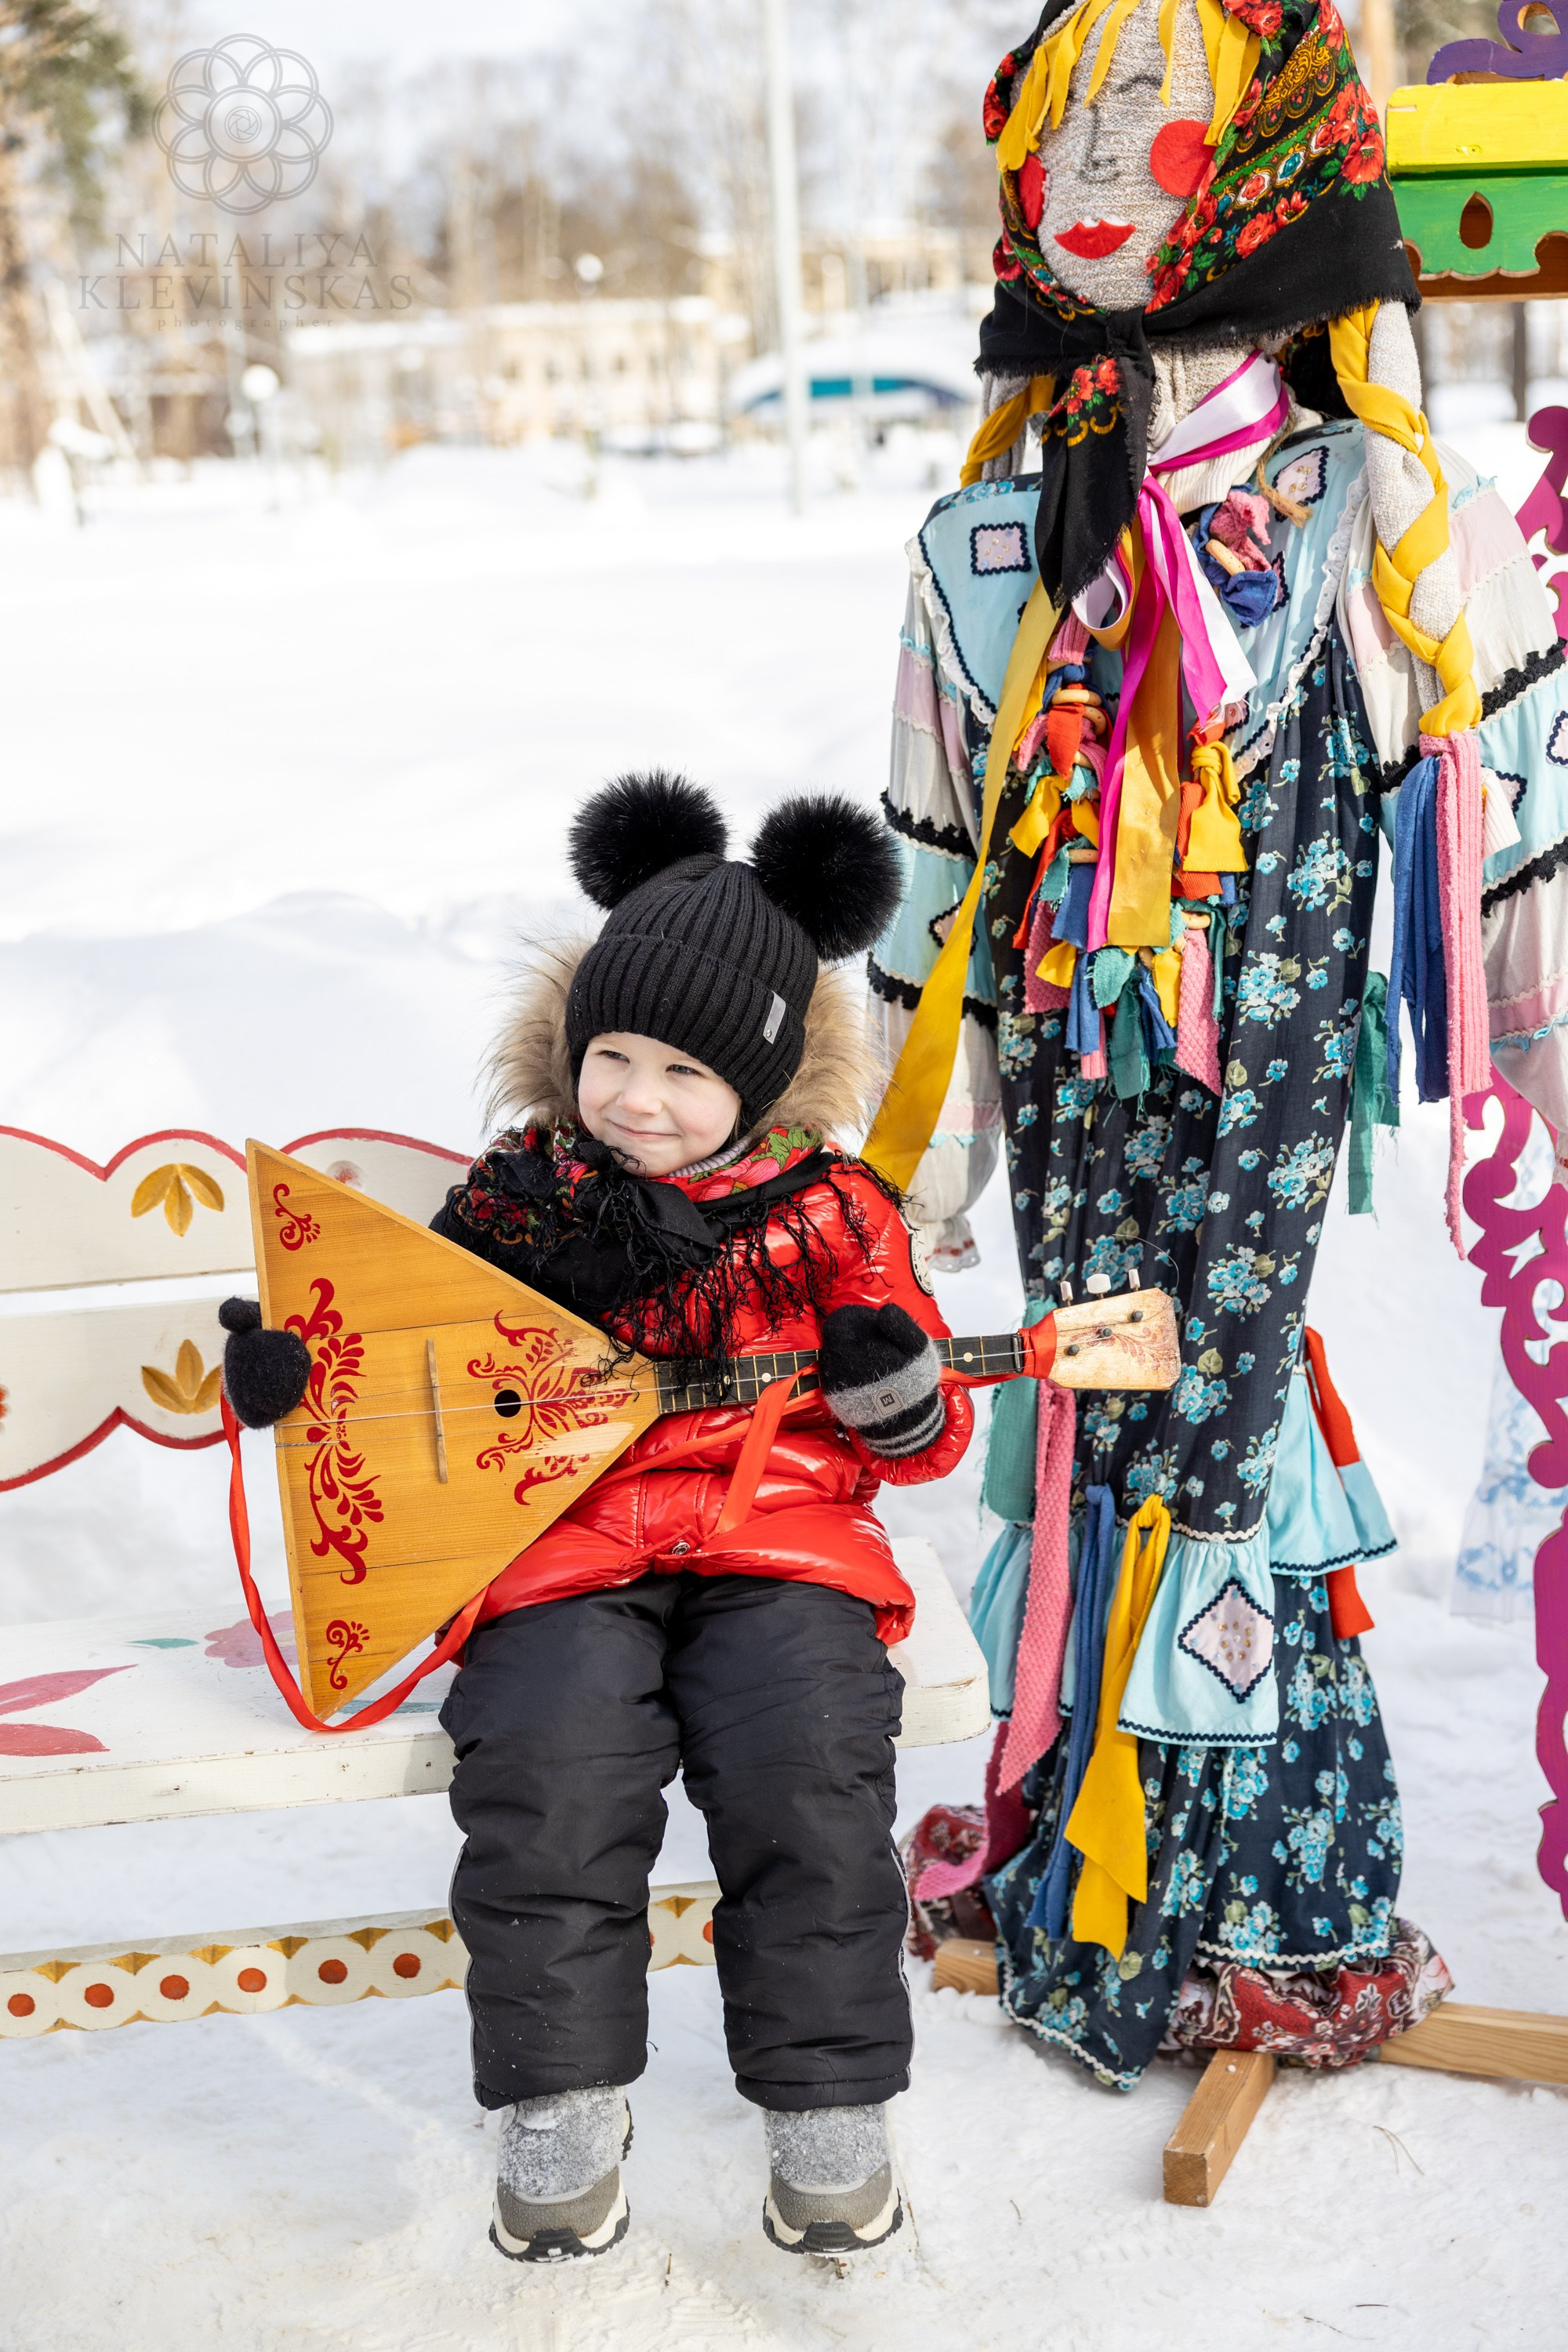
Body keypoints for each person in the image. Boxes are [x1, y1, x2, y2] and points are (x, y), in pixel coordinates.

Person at [220, 771, 972, 2263]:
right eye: (611, 1055)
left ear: (759, 1082)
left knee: (809, 1764)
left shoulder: (834, 1213)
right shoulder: (521, 1197)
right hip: (559, 1537)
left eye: (685, 1072)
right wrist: (294, 1380)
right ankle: (558, 2100)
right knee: (544, 1768)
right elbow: (408, 1359)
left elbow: (927, 1440)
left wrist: (893, 1389)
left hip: (778, 1535)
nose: (635, 1097)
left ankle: (829, 2107)